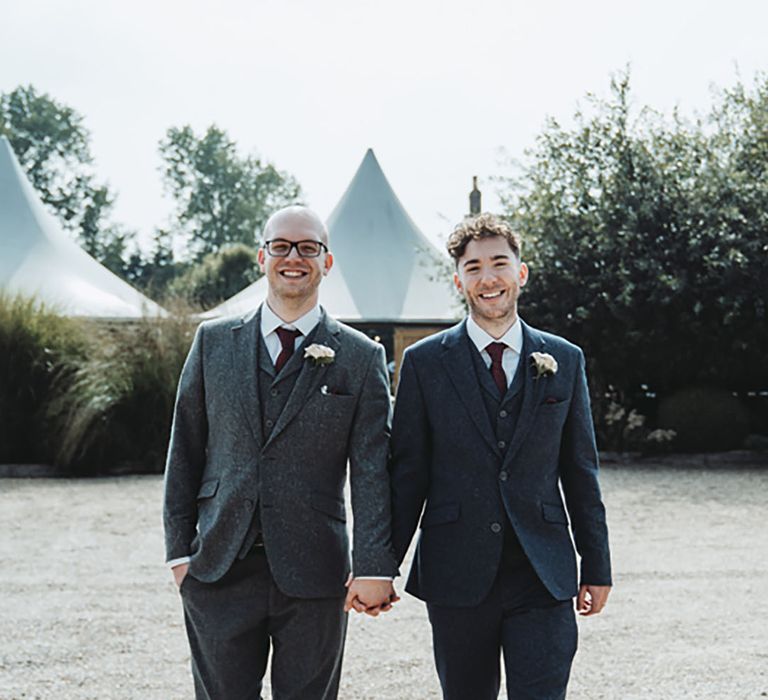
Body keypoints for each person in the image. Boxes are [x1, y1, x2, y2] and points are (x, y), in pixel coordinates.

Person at [163, 205, 398, 700]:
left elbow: (373, 470)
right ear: (262, 256)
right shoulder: (212, 343)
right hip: (218, 566)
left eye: (308, 247)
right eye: (282, 246)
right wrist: (180, 554)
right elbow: (183, 448)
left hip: (316, 572)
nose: (295, 257)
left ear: (327, 261)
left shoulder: (360, 357)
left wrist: (374, 565)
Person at [389, 213, 612, 699]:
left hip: (543, 570)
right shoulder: (425, 363)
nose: (487, 278)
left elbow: (580, 470)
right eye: (473, 268)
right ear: (459, 280)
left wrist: (596, 563)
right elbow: (408, 473)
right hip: (455, 571)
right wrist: (380, 564)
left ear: (521, 272)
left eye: (499, 263)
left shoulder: (564, 359)